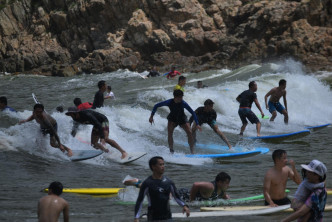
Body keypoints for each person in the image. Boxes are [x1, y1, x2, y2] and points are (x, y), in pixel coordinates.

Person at [134, 156, 190, 221]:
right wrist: (136, 217)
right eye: (160, 165)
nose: (163, 166)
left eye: (163, 164)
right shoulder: (147, 183)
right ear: (153, 167)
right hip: (153, 218)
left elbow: (176, 197)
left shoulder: (169, 182)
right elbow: (140, 201)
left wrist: (184, 206)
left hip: (167, 217)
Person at [149, 90, 202, 154]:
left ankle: (192, 151)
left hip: (182, 118)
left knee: (189, 132)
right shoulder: (169, 102)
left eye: (182, 97)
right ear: (175, 97)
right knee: (170, 133)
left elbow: (193, 113)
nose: (181, 99)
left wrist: (197, 124)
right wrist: (151, 116)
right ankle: (171, 151)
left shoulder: (183, 103)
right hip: (172, 119)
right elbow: (156, 105)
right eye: (180, 97)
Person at [124, 171, 231, 202]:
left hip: (184, 195)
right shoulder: (210, 187)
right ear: (219, 182)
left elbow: (221, 196)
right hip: (183, 194)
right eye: (226, 183)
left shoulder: (221, 190)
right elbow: (196, 184)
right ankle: (138, 182)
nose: (228, 185)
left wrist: (226, 198)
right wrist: (192, 200)